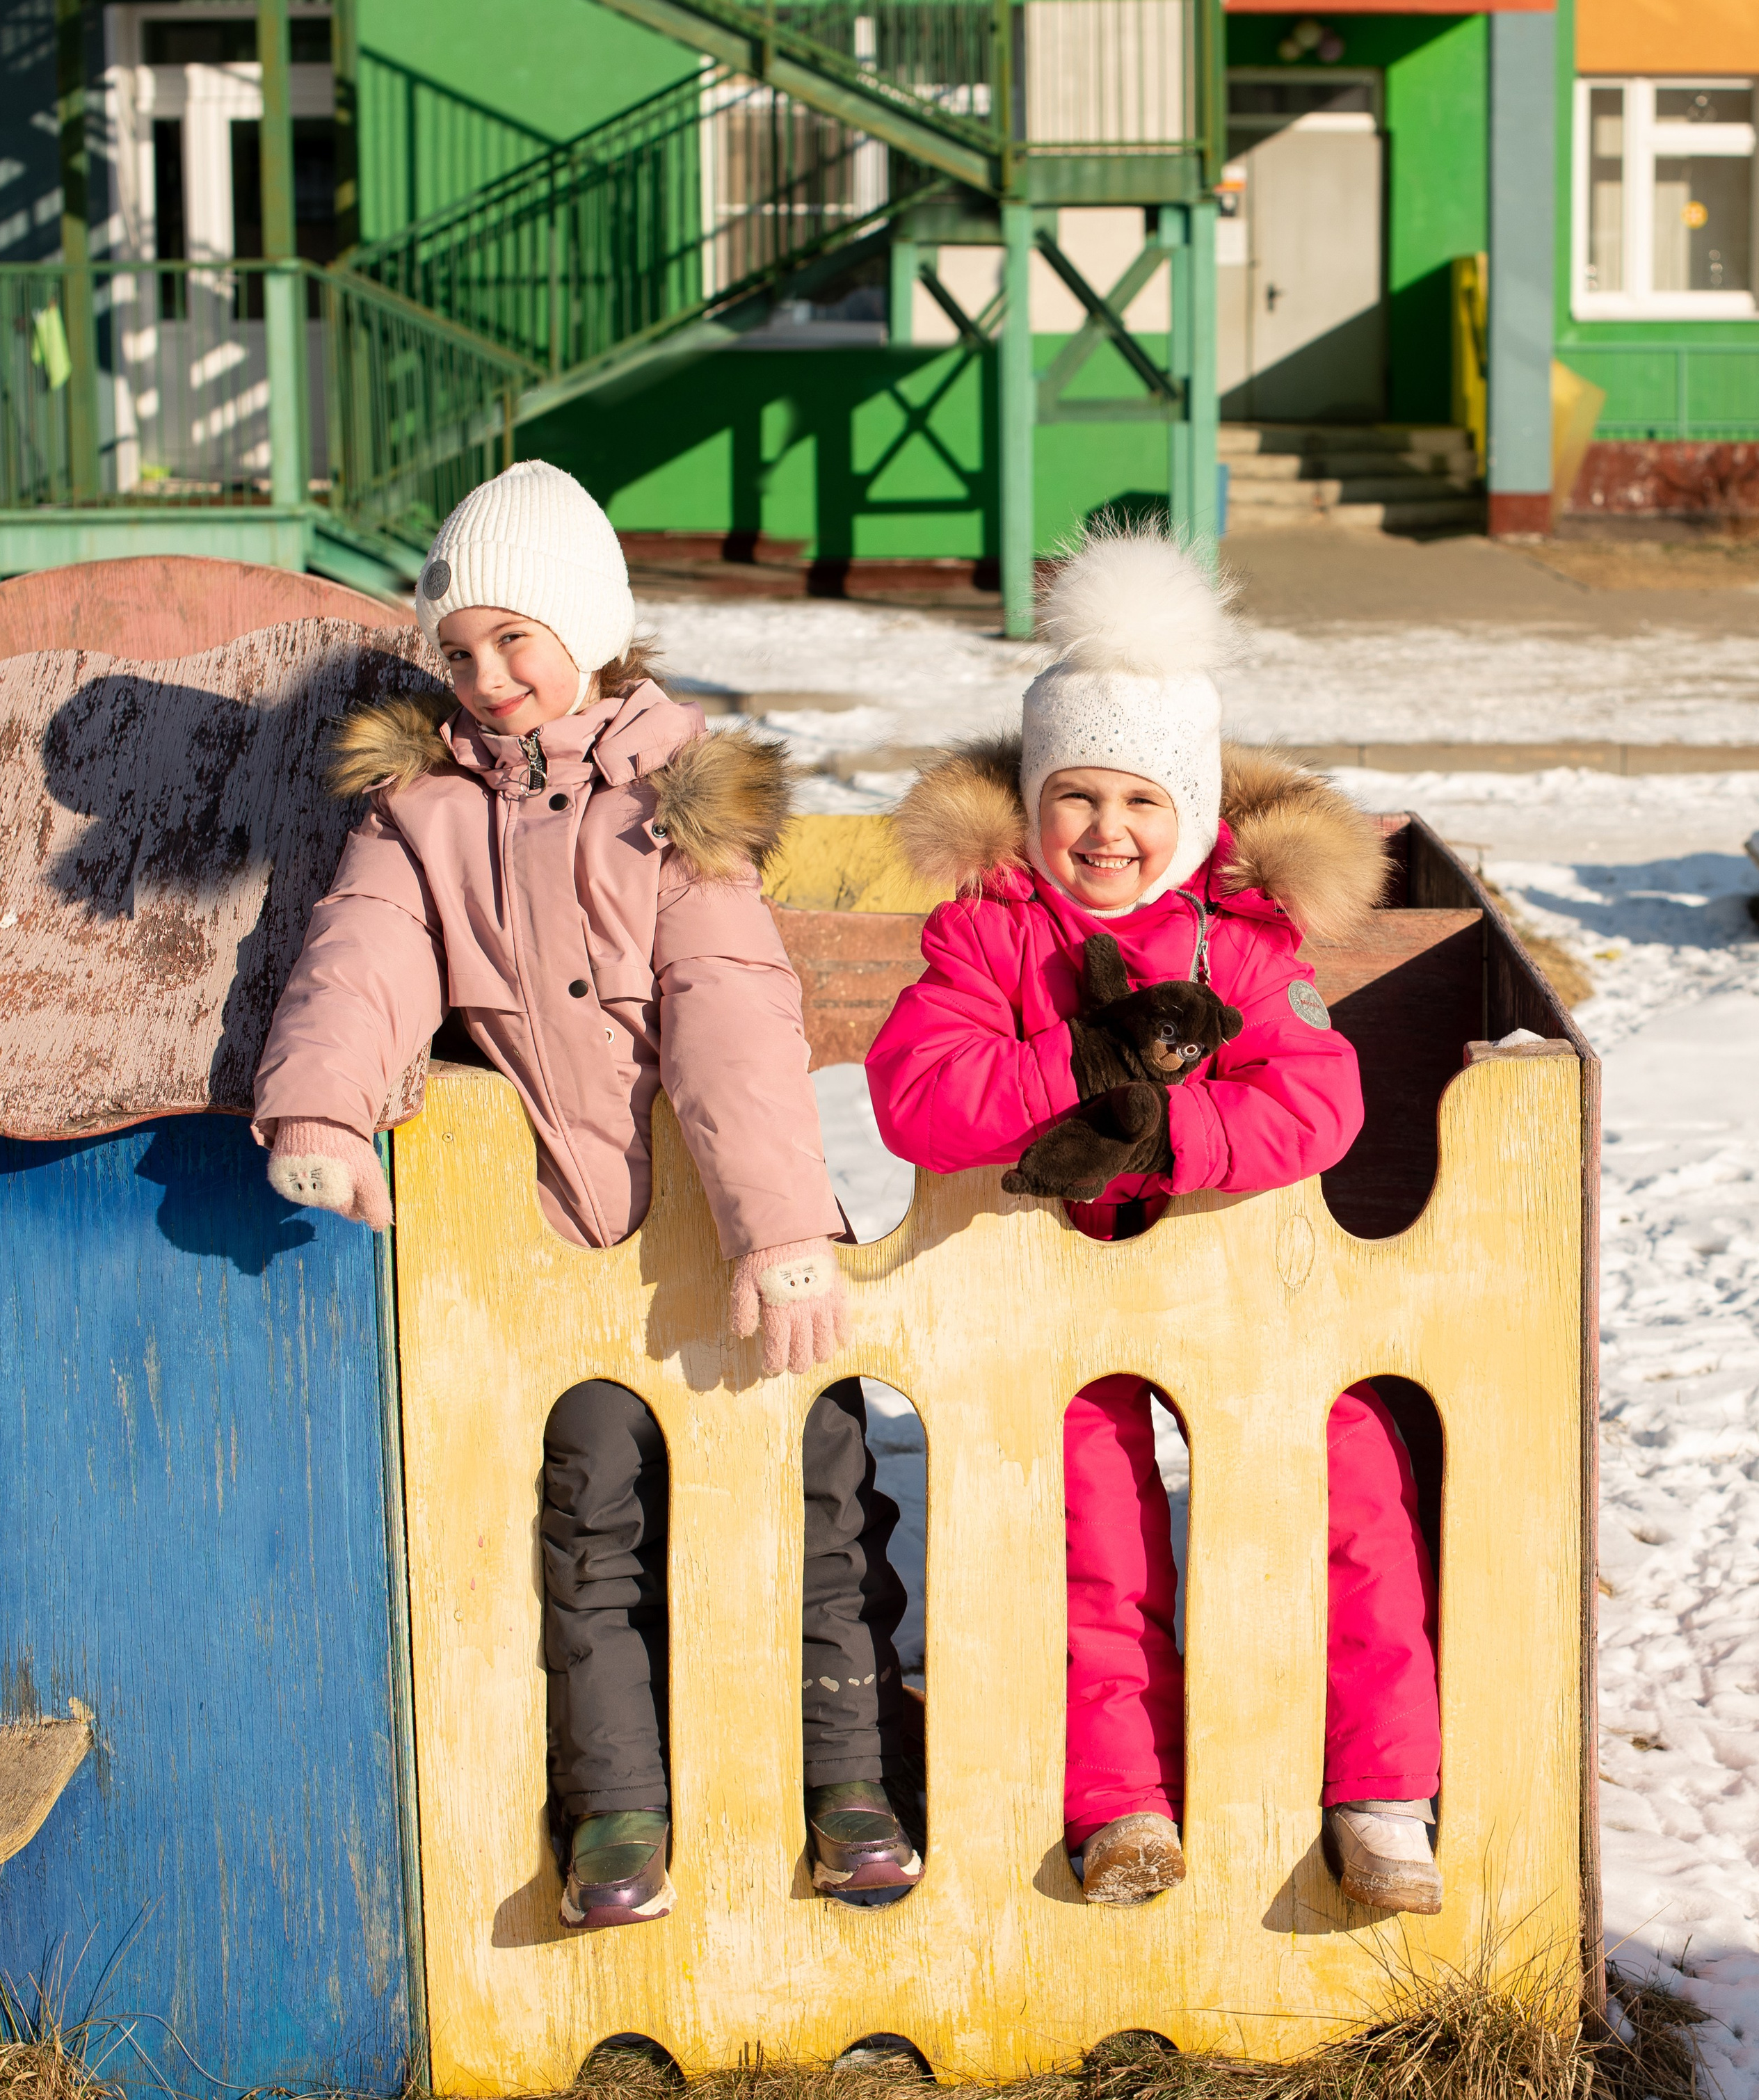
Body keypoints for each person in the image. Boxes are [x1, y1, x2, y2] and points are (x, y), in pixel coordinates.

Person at [252, 460, 920, 1931]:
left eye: (517, 640)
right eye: (459, 650)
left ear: (591, 633)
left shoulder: (676, 809)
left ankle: (850, 1782)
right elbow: (364, 956)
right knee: (592, 1523)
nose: (488, 677)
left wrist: (784, 1231)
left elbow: (732, 1018)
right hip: (561, 1243)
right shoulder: (421, 812)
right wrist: (322, 1103)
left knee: (809, 1504)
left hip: (726, 1243)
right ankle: (619, 1804)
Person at [864, 524, 1442, 1914]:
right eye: (1073, 796)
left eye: (1140, 799)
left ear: (1188, 811)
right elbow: (919, 1092)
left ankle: (1378, 1792)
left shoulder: (1243, 943)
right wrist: (1080, 1065)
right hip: (1062, 1300)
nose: (1106, 831)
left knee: (1347, 1474)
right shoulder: (988, 934)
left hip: (1238, 1295)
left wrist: (1177, 1130)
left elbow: (1318, 1100)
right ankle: (1122, 1798)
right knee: (1089, 1515)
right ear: (1030, 805)